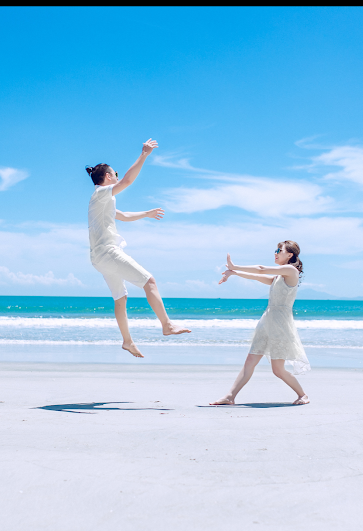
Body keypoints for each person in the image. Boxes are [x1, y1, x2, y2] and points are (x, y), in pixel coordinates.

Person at [86, 139, 190, 358]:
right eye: (115, 173)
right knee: (149, 281)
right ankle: (167, 325)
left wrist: (147, 214)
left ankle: (127, 341)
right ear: (108, 177)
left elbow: (123, 216)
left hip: (98, 257)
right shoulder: (101, 193)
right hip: (108, 252)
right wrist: (144, 154)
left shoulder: (101, 200)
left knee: (120, 298)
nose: (117, 176)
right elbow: (128, 181)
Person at [210, 241, 311, 405]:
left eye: (279, 250)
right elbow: (257, 276)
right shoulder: (278, 277)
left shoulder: (291, 271)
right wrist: (233, 272)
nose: (275, 253)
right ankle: (230, 397)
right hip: (267, 321)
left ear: (289, 255)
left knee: (278, 370)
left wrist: (235, 266)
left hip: (280, 324)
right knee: (250, 361)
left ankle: (303, 395)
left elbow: (261, 269)